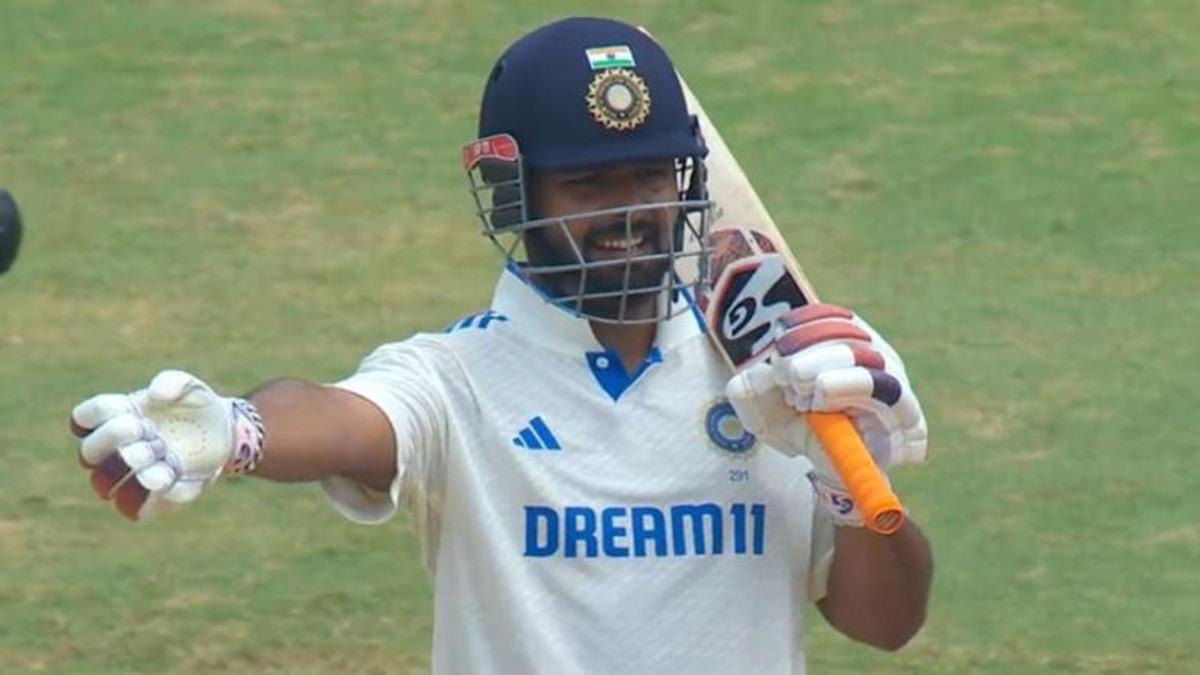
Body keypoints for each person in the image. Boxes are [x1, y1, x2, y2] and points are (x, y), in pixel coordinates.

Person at [71, 17, 932, 674]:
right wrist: (236, 430)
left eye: (646, 176)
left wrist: (845, 475)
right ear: (516, 195)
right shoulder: (459, 379)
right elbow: (341, 417)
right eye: (587, 183)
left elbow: (888, 621)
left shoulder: (773, 376)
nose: (627, 212)